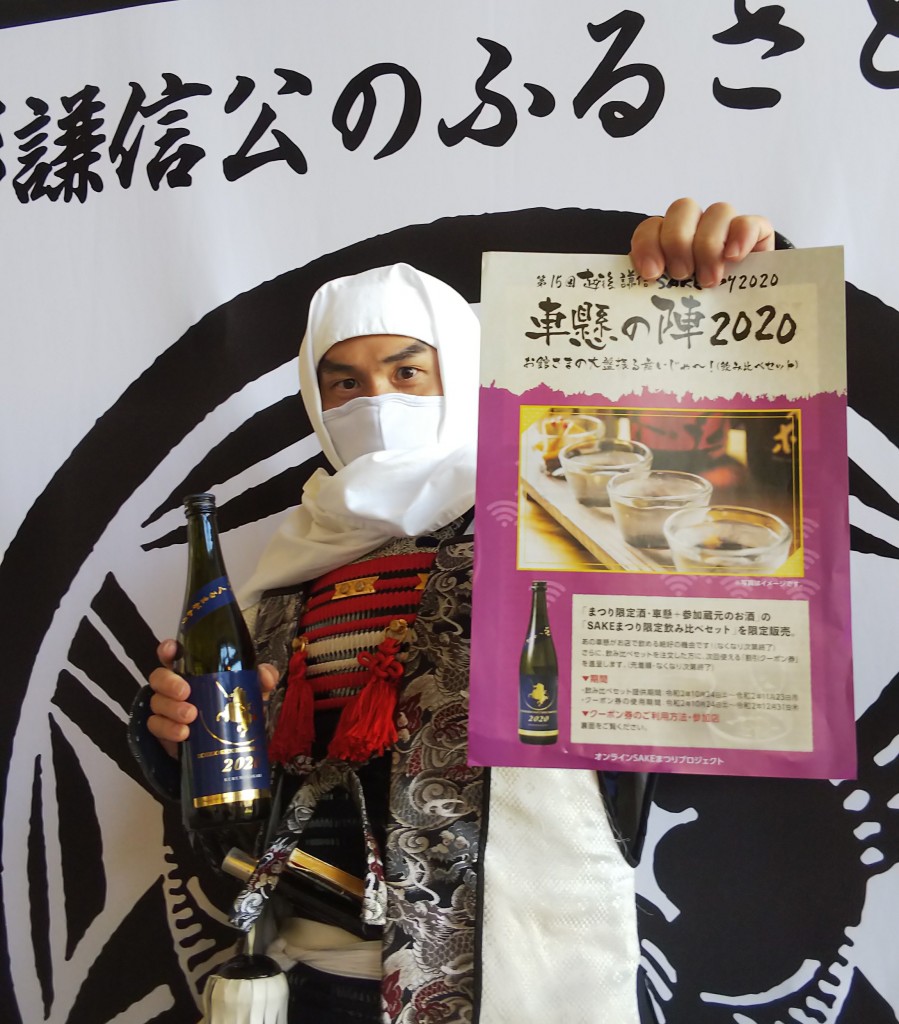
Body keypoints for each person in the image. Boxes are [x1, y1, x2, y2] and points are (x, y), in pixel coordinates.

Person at [136, 199, 776, 1024]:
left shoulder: (550, 525)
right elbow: (246, 782)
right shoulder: (290, 560)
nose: (375, 400)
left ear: (462, 369)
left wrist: (699, 282)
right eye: (344, 381)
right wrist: (180, 738)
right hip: (306, 976)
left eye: (407, 372)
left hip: (510, 968)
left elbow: (697, 626)